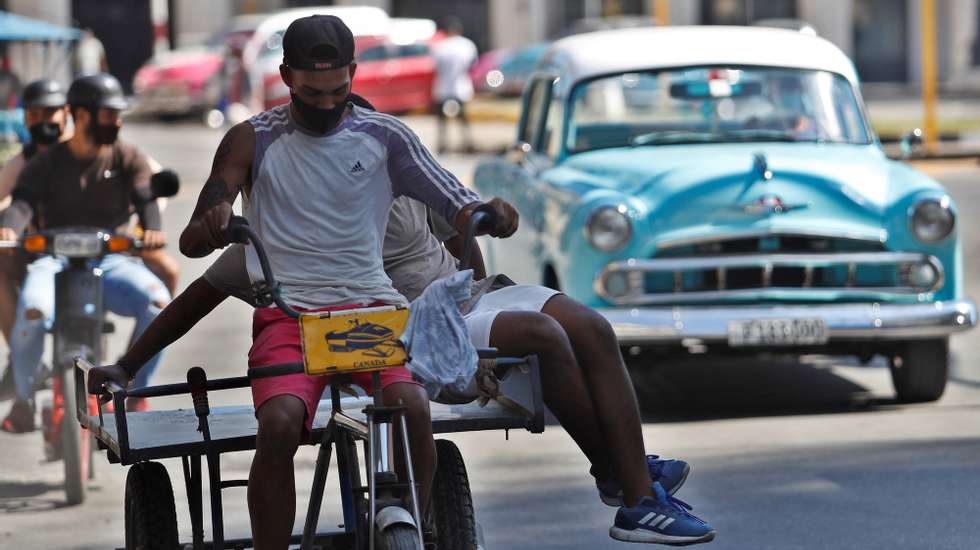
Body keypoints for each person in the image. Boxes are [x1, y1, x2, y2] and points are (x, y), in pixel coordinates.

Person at [174, 15, 517, 548]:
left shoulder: (386, 136)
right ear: (286, 76)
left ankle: (415, 524)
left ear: (354, 73)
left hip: (372, 308)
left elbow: (454, 198)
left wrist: (488, 211)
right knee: (282, 423)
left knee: (413, 408)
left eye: (339, 89)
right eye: (313, 91)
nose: (328, 103)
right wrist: (215, 222)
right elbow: (192, 240)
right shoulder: (251, 140)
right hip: (291, 315)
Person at [0, 73, 171, 432]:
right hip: (52, 261)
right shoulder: (42, 164)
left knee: (159, 302)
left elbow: (145, 195)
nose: (117, 122)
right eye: (109, 114)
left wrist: (152, 227)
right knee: (32, 311)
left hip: (109, 261)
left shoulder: (126, 155)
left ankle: (135, 389)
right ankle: (25, 398)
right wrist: (10, 227)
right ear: (81, 115)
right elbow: (22, 204)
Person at [0, 80, 70, 399]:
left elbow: (144, 182)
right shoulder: (21, 163)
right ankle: (22, 358)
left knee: (164, 274)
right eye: (35, 114)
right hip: (38, 254)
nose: (44, 121)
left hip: (97, 251)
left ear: (67, 114)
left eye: (51, 113)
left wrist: (143, 222)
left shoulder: (87, 149)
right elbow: (12, 201)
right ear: (26, 118)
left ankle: (132, 382)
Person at [430, 16, 477, 154]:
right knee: (463, 119)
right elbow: (472, 66)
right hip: (461, 88)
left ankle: (442, 145)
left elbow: (435, 67)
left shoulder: (440, 46)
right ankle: (467, 144)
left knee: (442, 121)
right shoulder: (467, 45)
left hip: (443, 88)